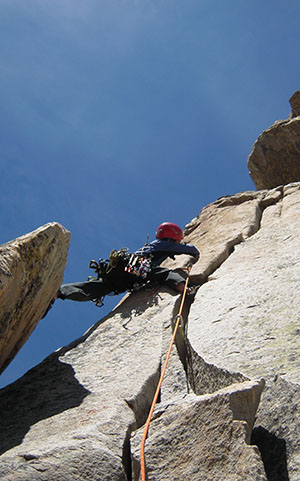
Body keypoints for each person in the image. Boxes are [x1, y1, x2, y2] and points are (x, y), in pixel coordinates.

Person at [55, 222, 200, 305]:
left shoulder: (154, 245)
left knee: (95, 288)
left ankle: (59, 292)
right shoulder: (164, 244)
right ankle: (185, 289)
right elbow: (190, 250)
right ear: (174, 236)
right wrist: (195, 254)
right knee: (166, 273)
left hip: (119, 274)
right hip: (134, 270)